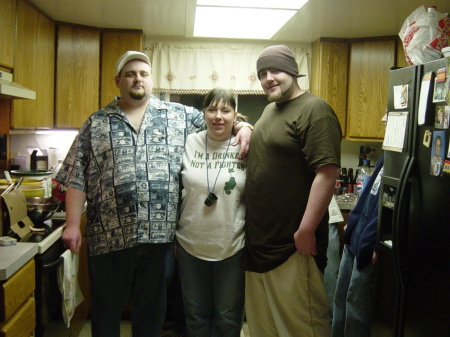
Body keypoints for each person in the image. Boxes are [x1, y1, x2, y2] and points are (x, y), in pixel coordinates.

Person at [55, 51, 252, 337]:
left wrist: (244, 126)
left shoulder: (179, 116)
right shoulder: (96, 123)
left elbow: (219, 120)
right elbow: (76, 175)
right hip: (109, 238)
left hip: (159, 240)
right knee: (106, 313)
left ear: (151, 80)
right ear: (118, 80)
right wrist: (72, 224)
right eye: (131, 74)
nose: (138, 79)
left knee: (151, 315)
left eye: (143, 74)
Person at [243, 45, 342, 337]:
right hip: (259, 243)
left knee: (302, 327)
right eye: (262, 73)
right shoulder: (269, 110)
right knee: (265, 328)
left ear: (292, 71)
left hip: (292, 245)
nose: (268, 78)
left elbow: (327, 172)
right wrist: (242, 126)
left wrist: (306, 229)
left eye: (275, 70)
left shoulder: (315, 109)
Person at [176, 88, 247, 337]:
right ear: (203, 113)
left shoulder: (246, 145)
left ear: (235, 115)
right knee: (195, 318)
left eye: (226, 110)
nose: (218, 116)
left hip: (232, 247)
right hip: (190, 246)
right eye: (212, 109)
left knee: (228, 319)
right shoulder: (189, 142)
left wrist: (246, 129)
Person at [331, 112, 387, 337]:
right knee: (341, 302)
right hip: (355, 239)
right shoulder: (388, 156)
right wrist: (352, 223)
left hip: (369, 247)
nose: (382, 118)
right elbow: (368, 199)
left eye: (389, 114)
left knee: (357, 310)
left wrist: (378, 244)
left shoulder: (403, 160)